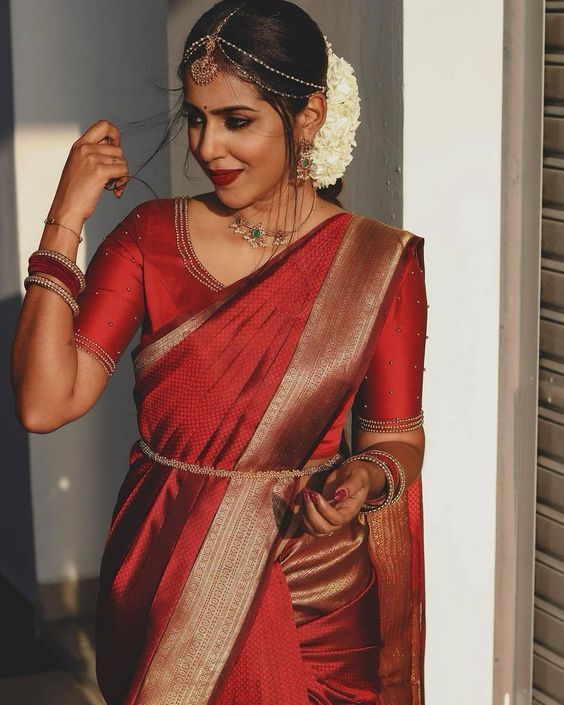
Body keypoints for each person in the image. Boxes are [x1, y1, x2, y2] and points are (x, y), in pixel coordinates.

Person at [11, 1, 428, 703]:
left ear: (309, 117)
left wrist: (366, 480)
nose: (207, 147)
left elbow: (398, 439)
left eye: (238, 120)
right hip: (165, 573)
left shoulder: (378, 264)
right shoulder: (149, 237)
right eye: (197, 117)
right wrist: (67, 217)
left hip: (312, 598)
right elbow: (44, 402)